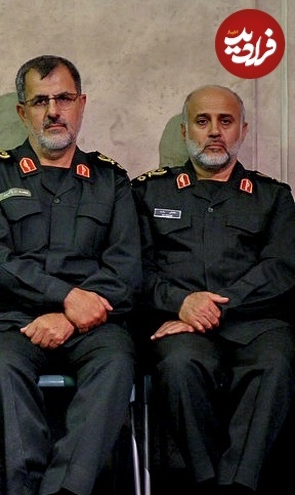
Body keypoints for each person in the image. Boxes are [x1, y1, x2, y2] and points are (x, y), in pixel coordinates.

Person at [0, 55, 141, 495]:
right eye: (40, 101)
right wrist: (66, 297)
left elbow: (125, 268)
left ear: (82, 104)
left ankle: (64, 489)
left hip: (94, 322)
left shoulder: (111, 180)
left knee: (117, 362)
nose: (54, 111)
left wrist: (71, 315)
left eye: (63, 98)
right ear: (22, 111)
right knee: (1, 368)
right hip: (12, 320)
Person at [132, 85, 295, 494]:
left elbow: (281, 268)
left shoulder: (273, 197)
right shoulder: (148, 192)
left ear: (243, 130)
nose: (215, 131)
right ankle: (209, 483)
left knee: (276, 363)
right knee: (179, 366)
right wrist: (181, 303)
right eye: (202, 121)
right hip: (178, 324)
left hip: (254, 323)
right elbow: (136, 270)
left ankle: (236, 485)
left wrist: (216, 308)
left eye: (226, 121)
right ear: (185, 130)